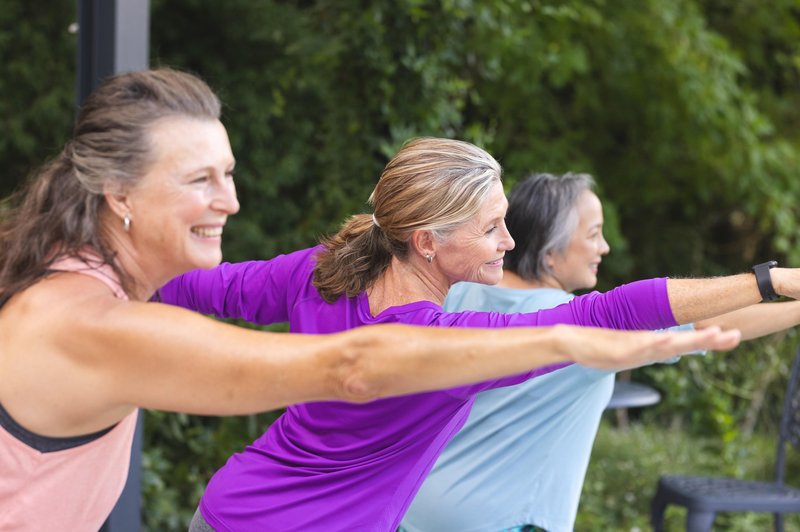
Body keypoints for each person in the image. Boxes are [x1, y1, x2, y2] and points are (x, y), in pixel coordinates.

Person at [0, 71, 718, 532]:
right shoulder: (91, 321)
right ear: (119, 195)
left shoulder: (83, 281)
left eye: (229, 173)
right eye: (200, 180)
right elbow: (352, 366)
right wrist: (565, 341)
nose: (232, 200)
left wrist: (766, 285)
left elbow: (208, 290)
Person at [156, 137, 792, 531]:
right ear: (428, 242)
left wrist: (101, 275)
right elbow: (604, 313)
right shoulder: (445, 344)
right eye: (492, 229)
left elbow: (204, 287)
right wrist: (768, 283)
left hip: (229, 511)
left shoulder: (322, 271)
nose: (509, 243)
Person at [401, 172, 800, 532]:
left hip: (412, 507)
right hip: (501, 520)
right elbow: (714, 324)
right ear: (550, 253)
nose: (605, 248)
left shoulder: (459, 292)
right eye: (593, 234)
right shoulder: (579, 329)